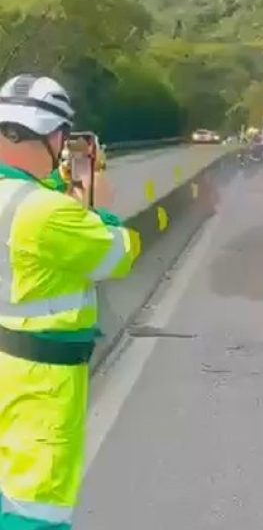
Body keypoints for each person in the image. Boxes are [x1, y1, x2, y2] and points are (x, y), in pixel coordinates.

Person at [0, 75, 141, 528]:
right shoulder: (46, 211)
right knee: (35, 504)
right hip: (39, 384)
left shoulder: (32, 202)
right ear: (51, 136)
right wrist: (100, 203)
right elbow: (118, 254)